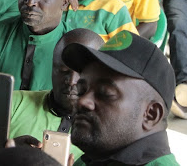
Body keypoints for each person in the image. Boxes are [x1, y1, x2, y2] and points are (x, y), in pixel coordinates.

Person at [0, 29, 104, 164]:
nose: (71, 81)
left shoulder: (103, 132)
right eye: (63, 71)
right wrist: (6, 152)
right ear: (52, 67)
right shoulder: (11, 103)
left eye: (81, 73)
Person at [62, 31, 178, 165]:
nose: (82, 101)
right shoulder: (92, 159)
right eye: (81, 90)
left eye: (105, 94)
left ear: (151, 114)